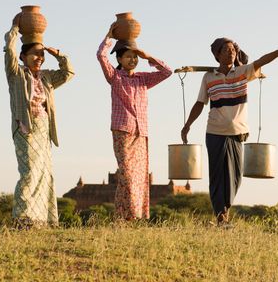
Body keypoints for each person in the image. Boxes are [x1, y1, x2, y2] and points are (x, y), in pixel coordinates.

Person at [181, 37, 278, 226]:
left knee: (235, 176)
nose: (231, 52)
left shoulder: (243, 72)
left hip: (237, 131)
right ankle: (221, 215)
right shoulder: (209, 77)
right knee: (218, 174)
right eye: (226, 50)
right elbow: (200, 103)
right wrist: (187, 125)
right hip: (215, 131)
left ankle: (225, 210)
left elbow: (262, 60)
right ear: (217, 55)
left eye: (233, 49)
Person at [4, 13, 75, 229]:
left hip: (44, 129)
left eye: (41, 55)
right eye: (35, 55)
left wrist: (58, 54)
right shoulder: (16, 74)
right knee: (30, 172)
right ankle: (23, 219)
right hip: (25, 128)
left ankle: (43, 220)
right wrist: (14, 31)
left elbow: (69, 73)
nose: (39, 58)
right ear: (23, 57)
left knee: (45, 173)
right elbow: (9, 51)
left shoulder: (46, 77)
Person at [97, 24, 172, 220]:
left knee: (138, 177)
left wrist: (147, 56)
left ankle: (128, 217)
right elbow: (101, 56)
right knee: (128, 175)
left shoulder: (143, 79)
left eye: (135, 57)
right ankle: (129, 215)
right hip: (123, 131)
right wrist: (109, 37)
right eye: (128, 56)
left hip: (141, 133)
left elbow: (167, 72)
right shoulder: (115, 77)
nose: (133, 60)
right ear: (120, 59)